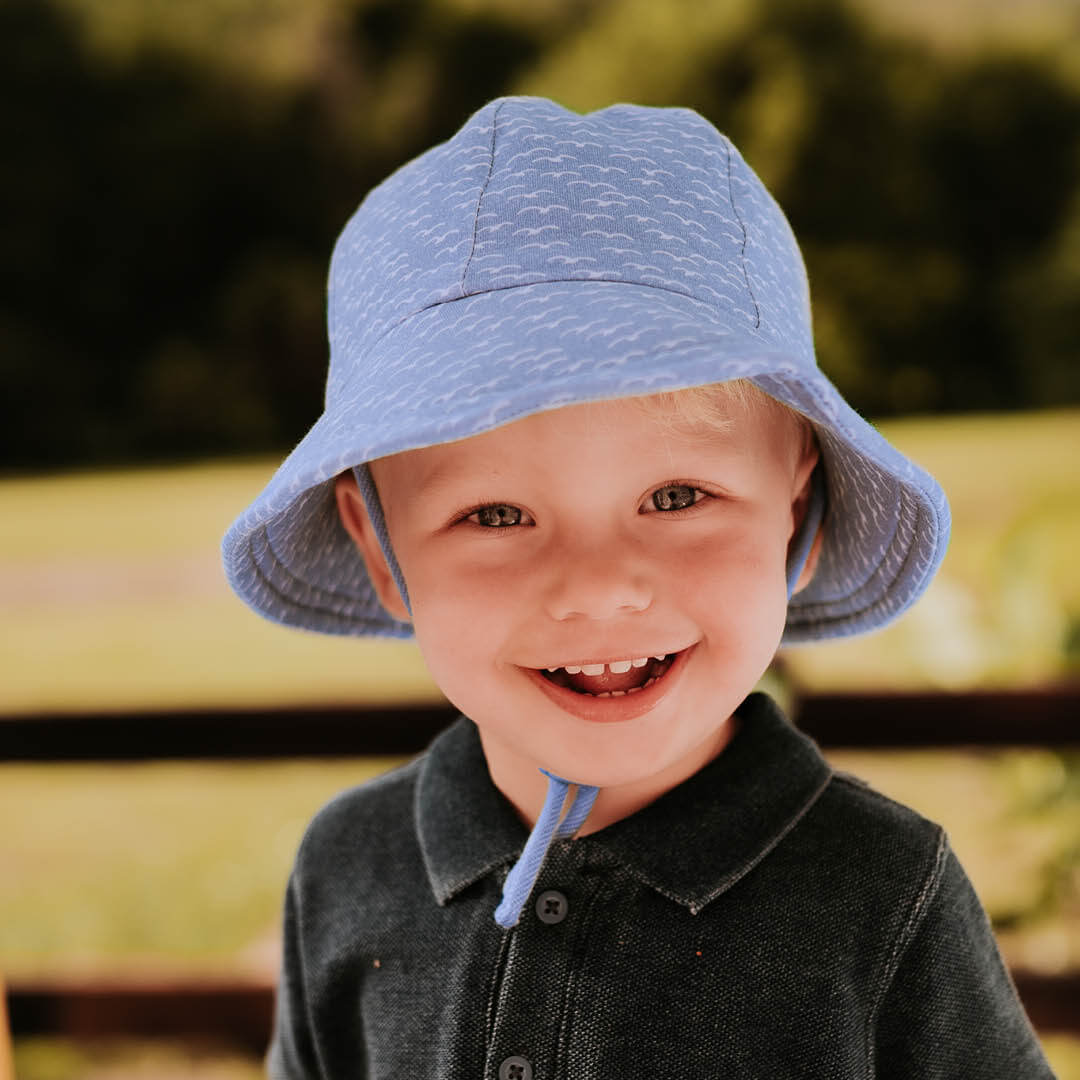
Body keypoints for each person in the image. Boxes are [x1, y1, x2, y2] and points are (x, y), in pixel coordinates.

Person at [223, 97, 1054, 1078]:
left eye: (676, 494)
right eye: (495, 515)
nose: (599, 589)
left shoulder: (882, 895)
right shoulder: (345, 870)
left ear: (796, 501)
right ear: (379, 547)